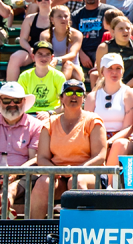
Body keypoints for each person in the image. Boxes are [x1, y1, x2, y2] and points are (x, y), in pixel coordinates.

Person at [31, 80, 106, 217]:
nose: (74, 96)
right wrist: (57, 171)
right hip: (58, 175)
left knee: (76, 182)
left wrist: (75, 171)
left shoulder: (93, 120)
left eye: (78, 92)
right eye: (69, 92)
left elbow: (100, 156)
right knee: (43, 183)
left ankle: (84, 230)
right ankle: (33, 233)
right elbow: (42, 158)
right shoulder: (49, 123)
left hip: (88, 174)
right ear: (61, 98)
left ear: (83, 98)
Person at [0, 82, 41, 217]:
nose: (12, 104)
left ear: (24, 101)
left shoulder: (36, 126)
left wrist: (16, 173)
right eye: (7, 100)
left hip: (23, 174)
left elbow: (35, 158)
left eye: (16, 100)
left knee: (14, 187)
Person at [89, 51, 133, 166]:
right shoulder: (93, 97)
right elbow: (88, 126)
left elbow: (129, 127)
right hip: (99, 138)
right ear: (102, 71)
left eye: (118, 68)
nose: (114, 72)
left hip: (124, 139)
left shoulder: (130, 94)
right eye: (110, 68)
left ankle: (109, 182)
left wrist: (109, 142)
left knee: (119, 144)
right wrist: (101, 142)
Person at [6, 0, 53, 81]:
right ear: (36, 2)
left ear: (51, 0)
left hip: (52, 51)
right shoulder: (30, 19)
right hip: (33, 51)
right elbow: (23, 39)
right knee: (15, 57)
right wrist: (30, 49)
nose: (43, 0)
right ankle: (11, 90)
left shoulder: (58, 16)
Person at [94, 15, 133, 88]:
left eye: (128, 28)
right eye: (121, 29)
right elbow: (101, 75)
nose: (125, 31)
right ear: (112, 31)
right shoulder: (103, 48)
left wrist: (122, 90)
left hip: (130, 87)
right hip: (109, 86)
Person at [71, 0, 109, 71]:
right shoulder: (75, 15)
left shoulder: (109, 11)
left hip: (104, 51)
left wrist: (100, 54)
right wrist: (81, 54)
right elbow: (71, 38)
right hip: (82, 53)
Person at [17, 39, 64, 115]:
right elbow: (19, 102)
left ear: (52, 57)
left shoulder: (59, 76)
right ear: (33, 56)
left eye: (47, 54)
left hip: (52, 114)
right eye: (40, 54)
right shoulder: (24, 76)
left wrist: (49, 113)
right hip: (30, 114)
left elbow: (64, 105)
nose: (44, 58)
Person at [41, 4, 84, 80]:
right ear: (52, 19)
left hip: (74, 71)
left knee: (68, 64)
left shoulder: (77, 34)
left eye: (66, 16)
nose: (63, 18)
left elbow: (72, 54)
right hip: (52, 67)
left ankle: (61, 89)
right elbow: (44, 53)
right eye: (59, 16)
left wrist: (58, 60)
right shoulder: (45, 35)